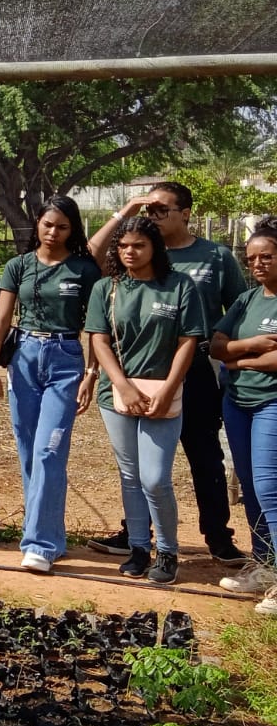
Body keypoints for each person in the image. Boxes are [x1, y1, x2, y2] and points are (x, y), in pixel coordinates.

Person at [87, 181, 246, 565]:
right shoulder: (130, 252)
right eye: (149, 210)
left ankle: (217, 536)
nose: (153, 216)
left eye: (162, 209)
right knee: (137, 466)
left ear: (186, 212)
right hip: (134, 375)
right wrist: (128, 208)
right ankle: (136, 537)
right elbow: (92, 254)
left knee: (204, 456)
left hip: (192, 370)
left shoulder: (215, 256)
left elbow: (237, 310)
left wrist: (231, 357)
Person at [85, 214, 206, 585]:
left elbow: (189, 340)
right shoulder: (105, 288)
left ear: (155, 247)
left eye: (138, 245)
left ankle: (168, 551)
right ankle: (139, 547)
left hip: (162, 396)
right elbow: (99, 339)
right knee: (130, 475)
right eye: (123, 247)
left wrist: (168, 389)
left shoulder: (180, 286)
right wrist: (121, 386)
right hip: (116, 396)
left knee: (155, 478)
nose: (129, 252)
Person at [0, 196, 101, 572]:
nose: (53, 232)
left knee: (50, 451)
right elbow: (1, 322)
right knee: (28, 451)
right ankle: (52, 538)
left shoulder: (84, 269)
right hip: (25, 357)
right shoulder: (18, 266)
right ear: (37, 224)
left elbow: (97, 327)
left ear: (73, 230)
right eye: (48, 224)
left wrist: (91, 374)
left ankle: (38, 543)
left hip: (66, 357)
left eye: (63, 227)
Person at [209, 217, 277, 609]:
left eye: (266, 256)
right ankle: (265, 564)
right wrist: (250, 349)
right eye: (252, 259)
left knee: (270, 485)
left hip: (271, 402)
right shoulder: (247, 300)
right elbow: (217, 345)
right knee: (250, 485)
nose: (257, 265)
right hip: (238, 403)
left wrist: (240, 362)